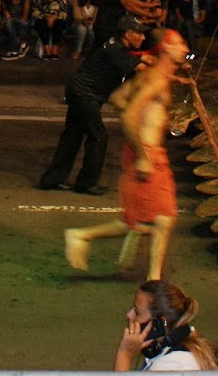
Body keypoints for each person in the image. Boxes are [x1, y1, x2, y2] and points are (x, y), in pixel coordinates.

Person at [65, 27, 189, 280]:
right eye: (179, 44)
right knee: (149, 221)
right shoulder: (155, 80)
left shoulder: (152, 77)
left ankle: (153, 278)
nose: (185, 49)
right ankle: (82, 236)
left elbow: (118, 97)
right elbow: (129, 115)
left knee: (155, 220)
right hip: (147, 154)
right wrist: (143, 154)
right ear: (166, 47)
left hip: (146, 151)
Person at [37, 15, 147, 195]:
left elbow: (142, 59)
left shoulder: (116, 45)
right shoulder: (116, 51)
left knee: (72, 136)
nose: (143, 37)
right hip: (85, 95)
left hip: (80, 92)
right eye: (139, 33)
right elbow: (142, 68)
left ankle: (52, 179)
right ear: (128, 34)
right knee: (98, 136)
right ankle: (86, 183)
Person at [112, 280, 218, 371]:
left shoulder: (174, 365)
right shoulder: (183, 347)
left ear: (159, 324)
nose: (129, 315)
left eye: (137, 312)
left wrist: (124, 354)